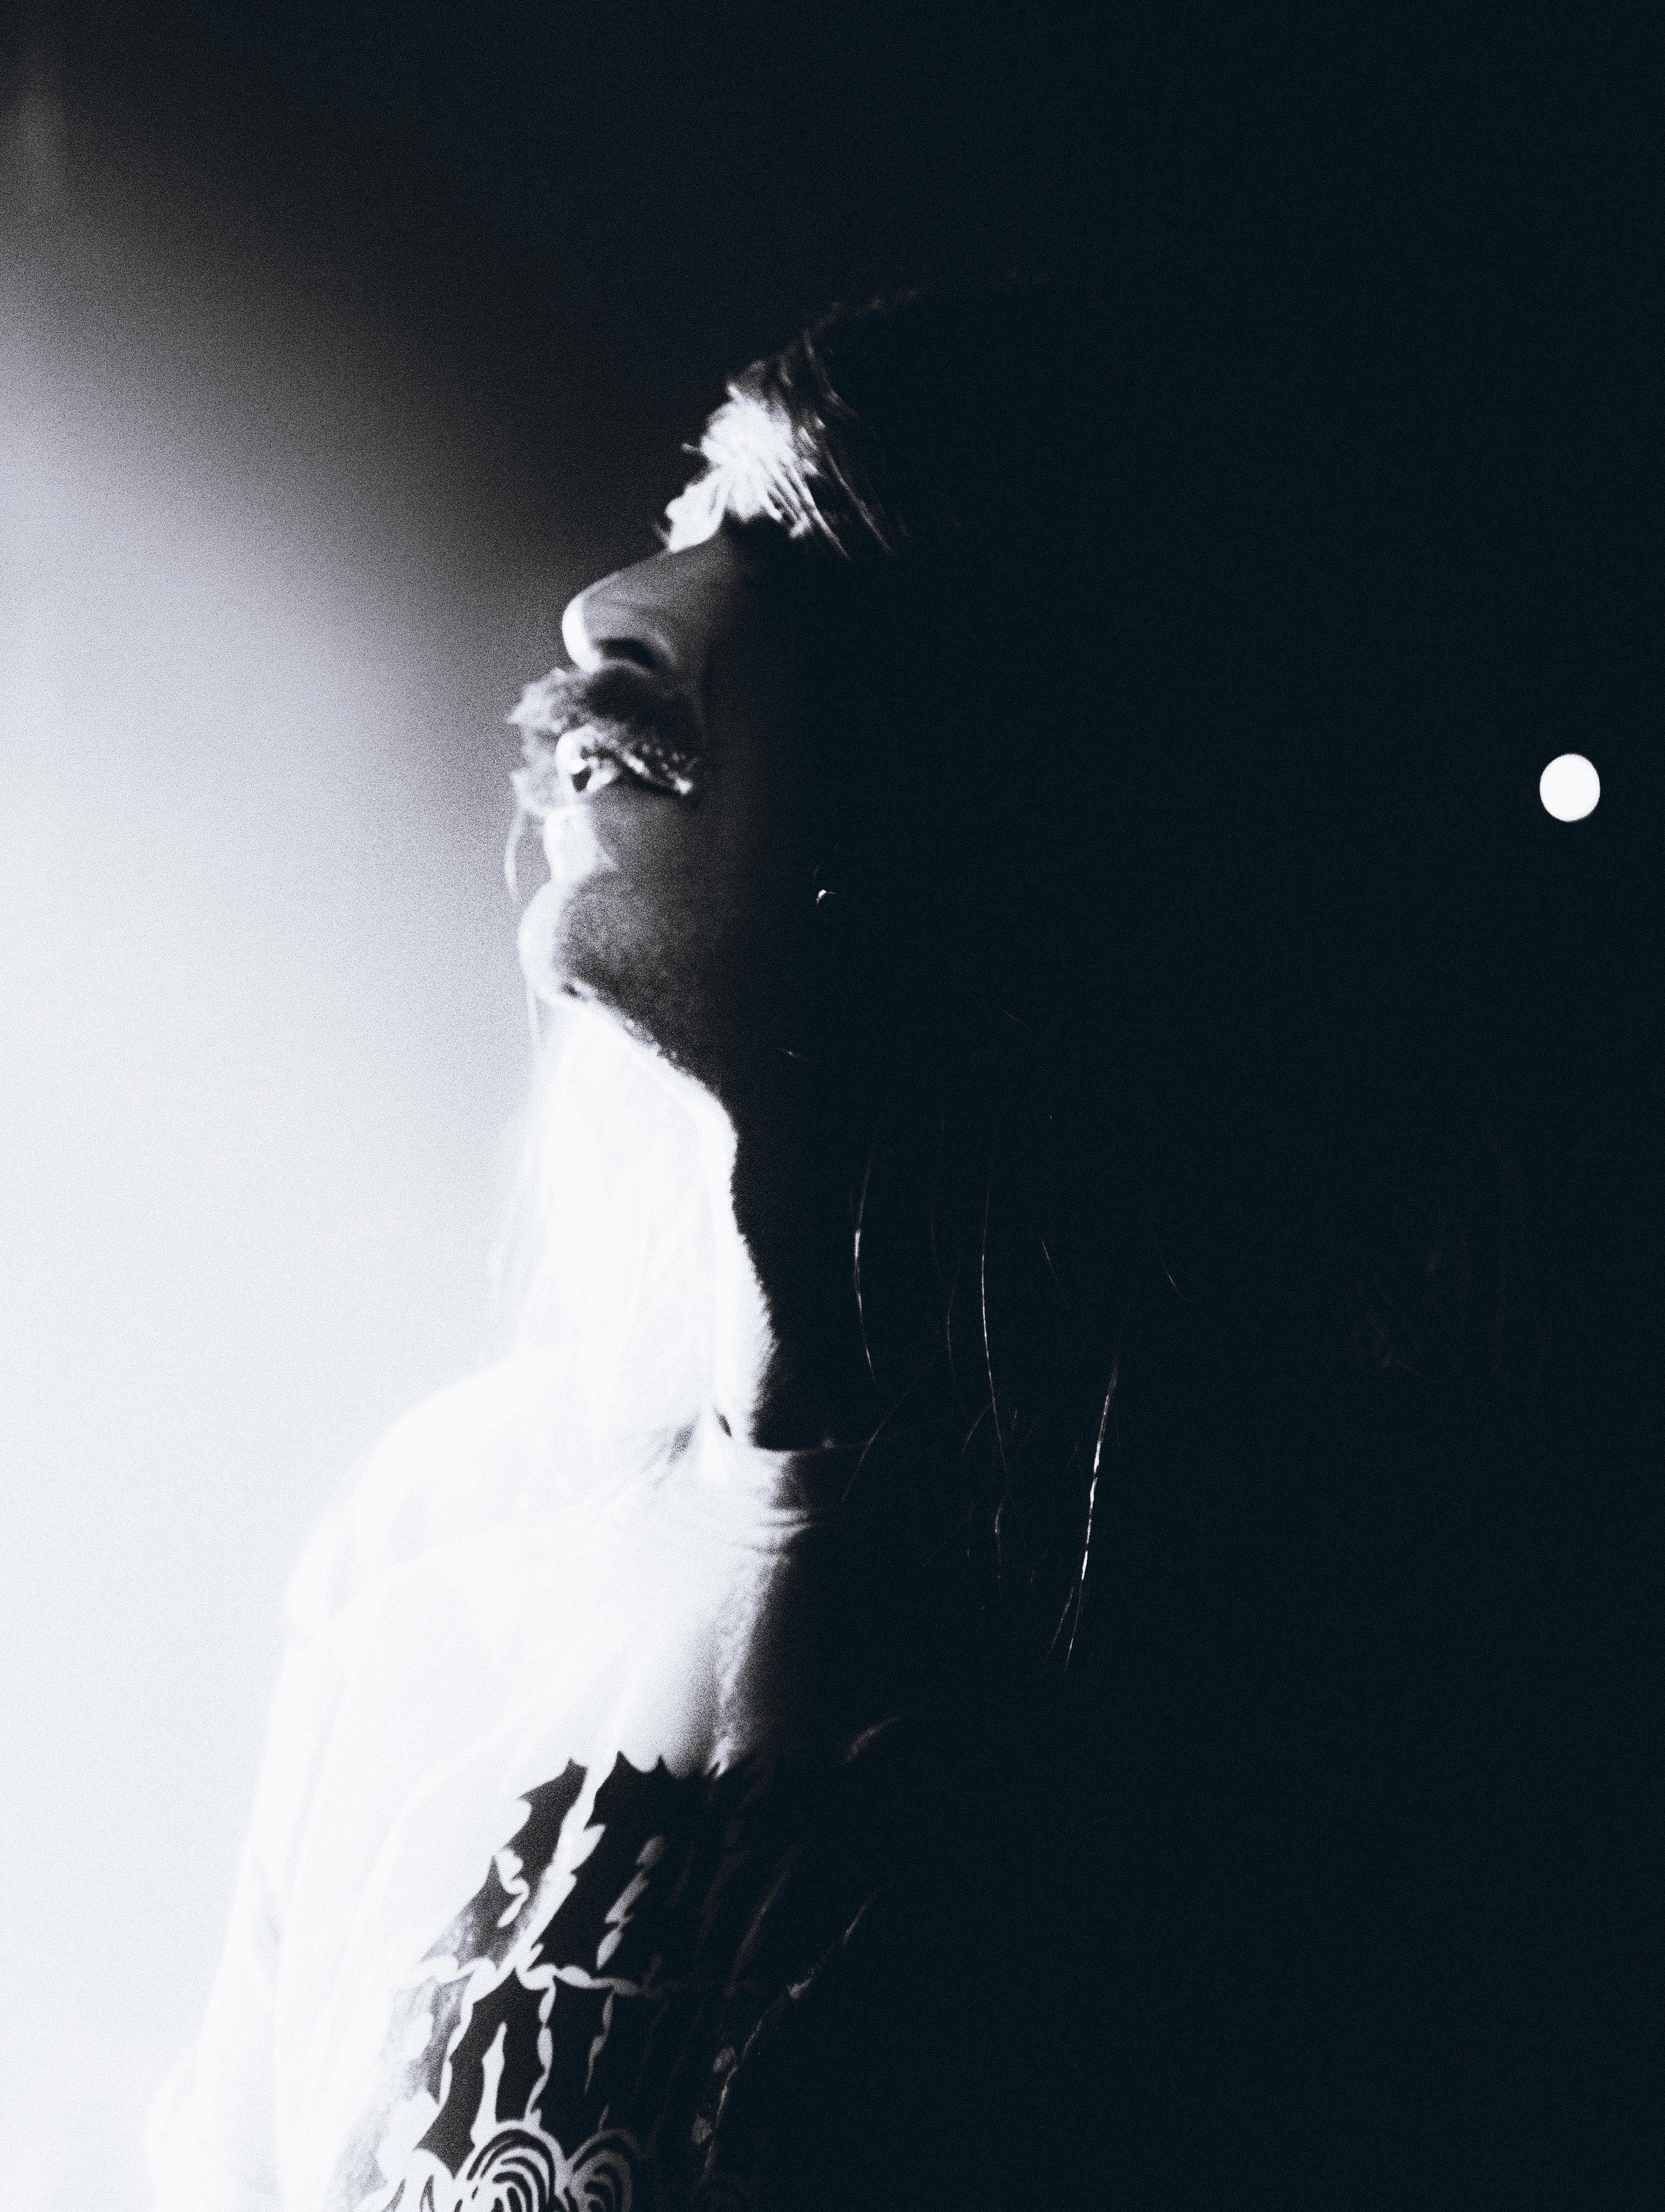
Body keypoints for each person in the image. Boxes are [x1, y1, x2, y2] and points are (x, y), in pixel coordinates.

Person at [149, 276, 1565, 2209]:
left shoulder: (1368, 1698)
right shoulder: (428, 1554)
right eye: (684, 514)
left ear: (1058, 765)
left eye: (792, 532)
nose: (606, 612)